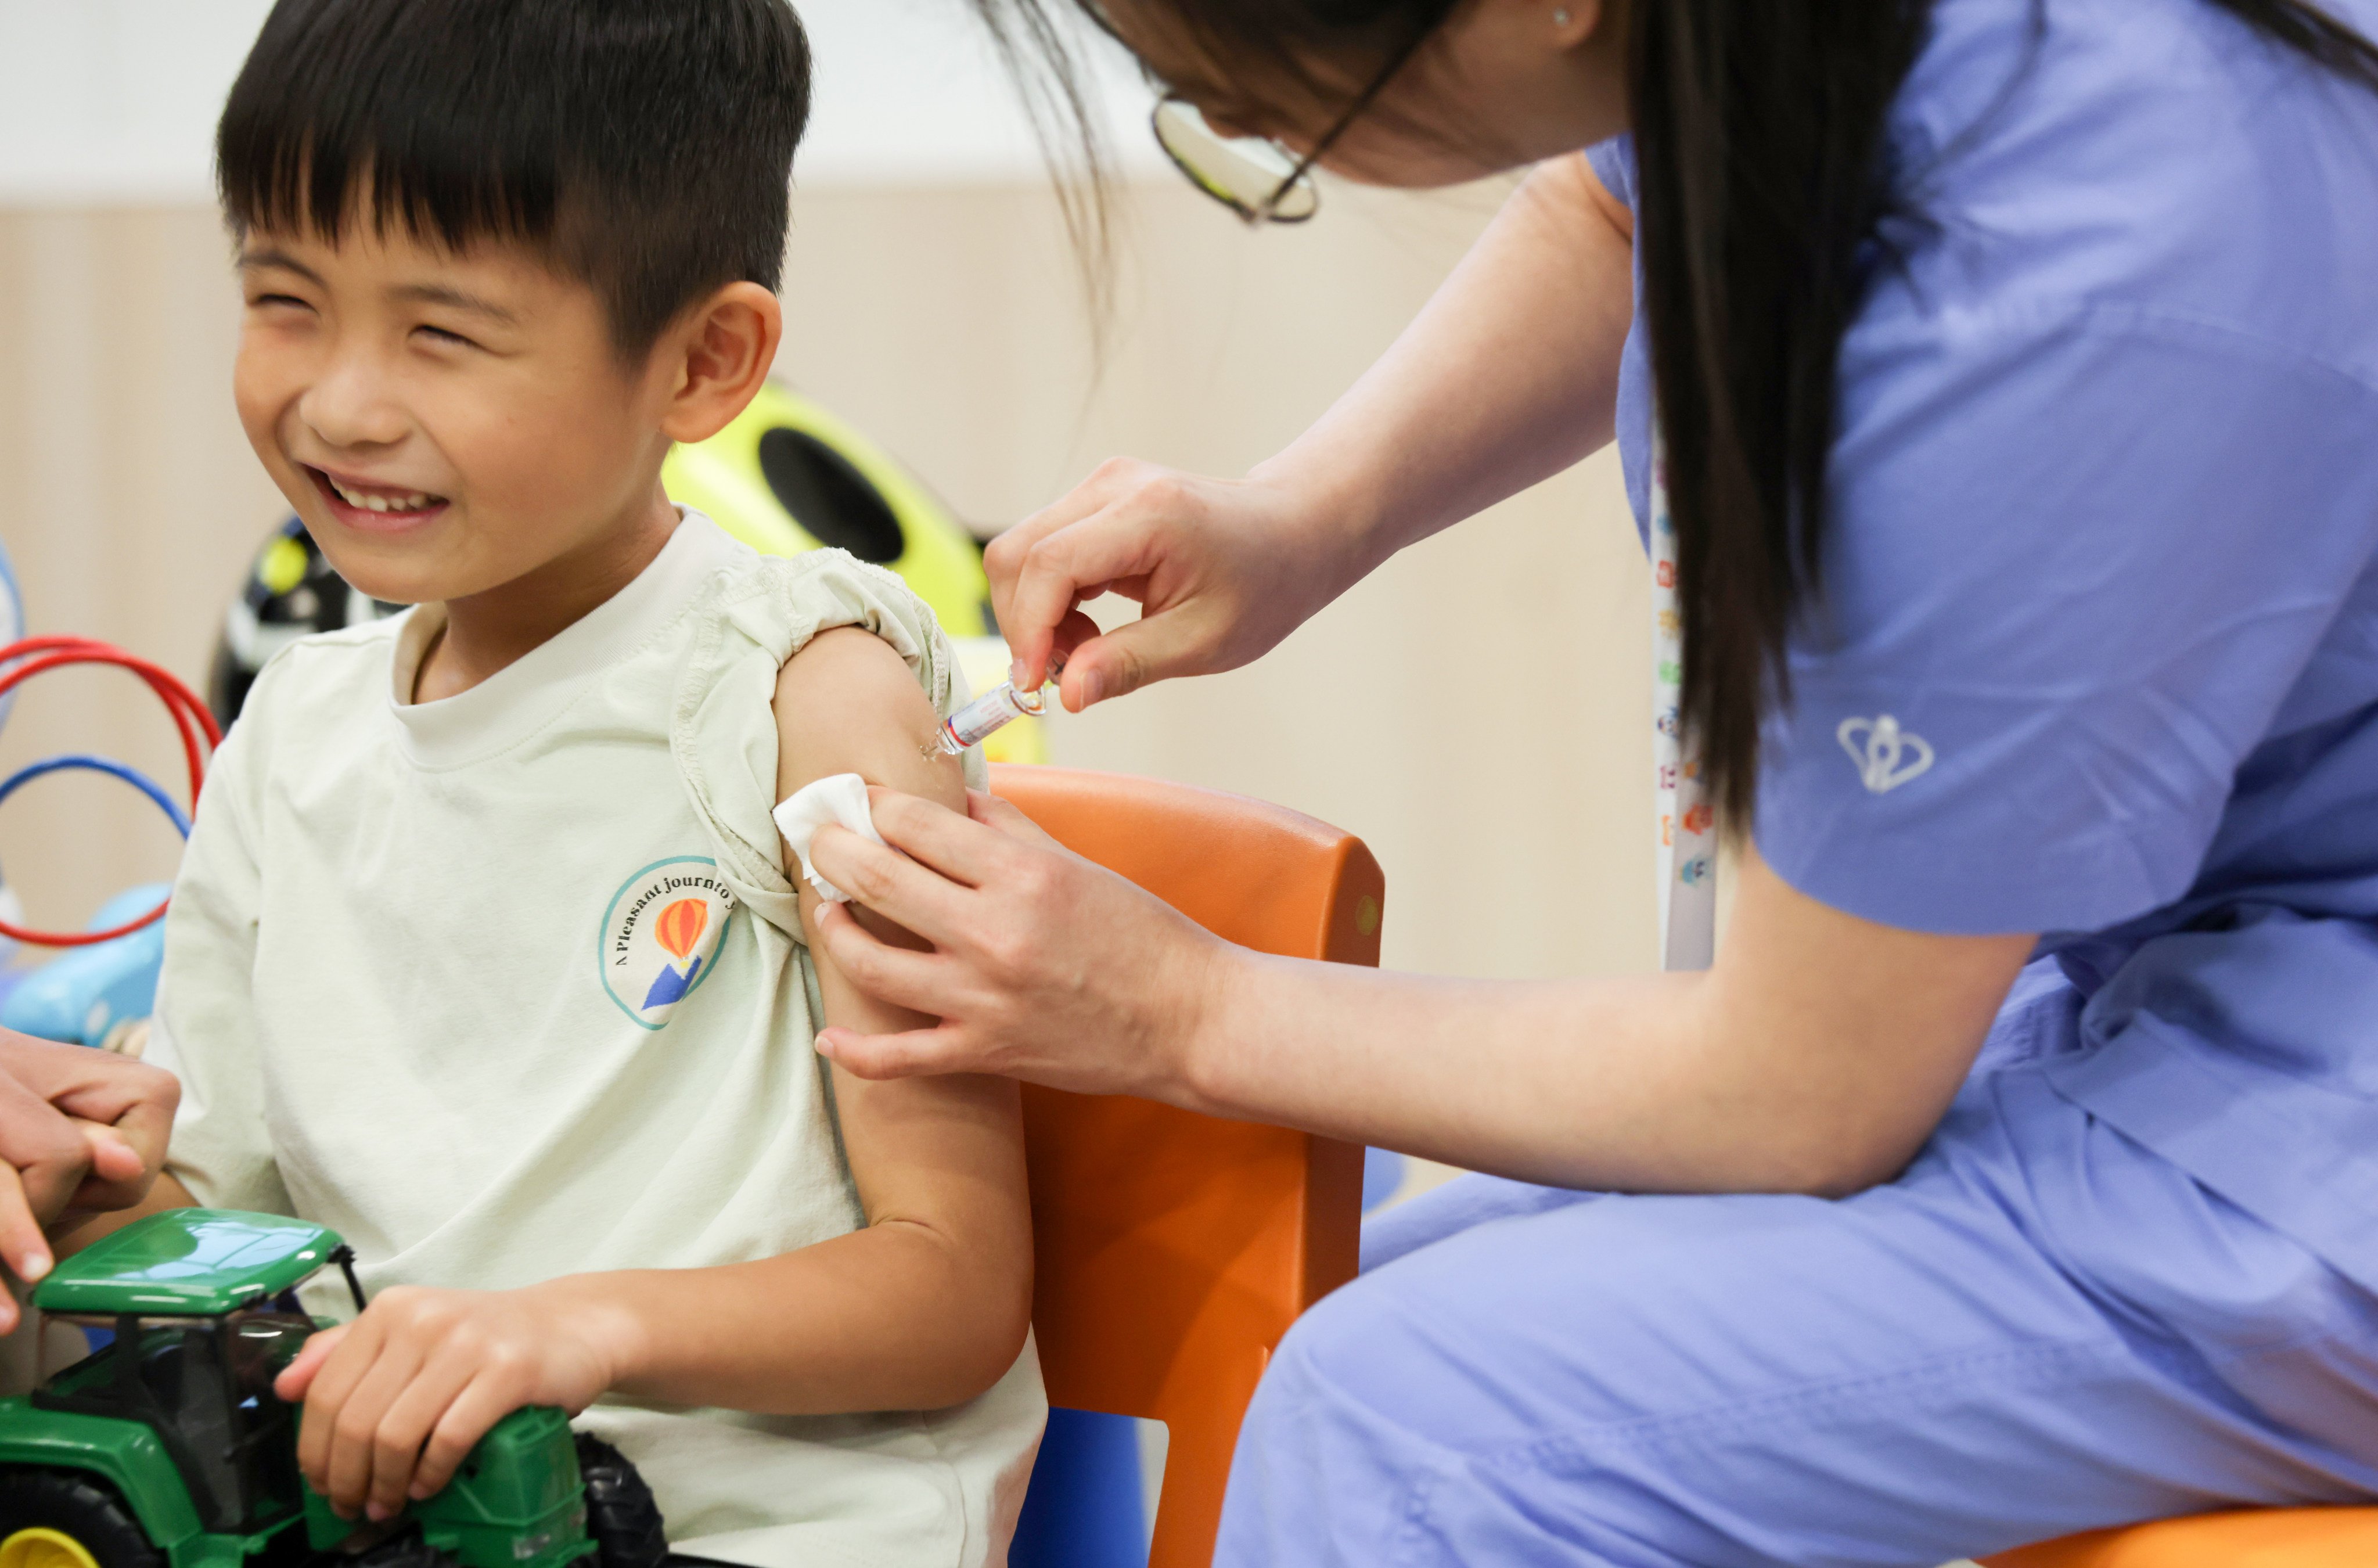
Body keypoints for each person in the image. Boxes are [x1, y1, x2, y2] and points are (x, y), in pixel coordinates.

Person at [790, 0, 2378, 1563]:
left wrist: (1182, 1006)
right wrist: (1305, 514)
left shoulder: (2063, 294)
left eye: (1258, 96)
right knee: (1384, 1284)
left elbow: (1804, 1088)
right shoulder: (1775, 49)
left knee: (1397, 1432)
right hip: (2200, 991)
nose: (1235, 116)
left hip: (2310, 1117)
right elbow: (1627, 193)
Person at [42, 2, 1044, 1561]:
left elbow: (954, 1283)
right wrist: (82, 1189)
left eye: (442, 331)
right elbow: (226, 1245)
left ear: (705, 360)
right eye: (286, 299)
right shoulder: (290, 737)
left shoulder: (804, 692)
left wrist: (570, 1329)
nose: (343, 401)